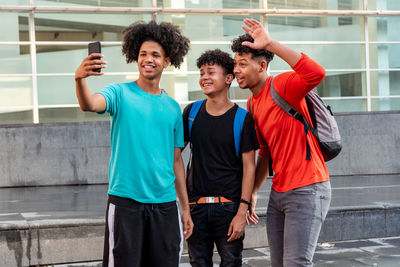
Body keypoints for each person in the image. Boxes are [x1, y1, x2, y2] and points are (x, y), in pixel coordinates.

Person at [74, 20, 193, 267]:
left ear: (167, 61)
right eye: (143, 54)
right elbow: (90, 104)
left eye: (155, 55)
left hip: (165, 205)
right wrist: (80, 80)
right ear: (135, 57)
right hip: (126, 203)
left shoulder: (173, 108)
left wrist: (185, 208)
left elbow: (176, 161)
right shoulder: (119, 93)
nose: (148, 59)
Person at [231, 19, 332, 267]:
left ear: (262, 65)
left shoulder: (283, 85)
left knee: (296, 263)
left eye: (243, 64)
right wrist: (253, 192)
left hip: (308, 187)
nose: (236, 70)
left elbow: (316, 72)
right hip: (279, 192)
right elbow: (265, 152)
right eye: (235, 64)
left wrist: (271, 44)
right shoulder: (253, 104)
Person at [182, 49, 259, 267]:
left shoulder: (242, 119)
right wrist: (184, 206)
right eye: (201, 73)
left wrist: (241, 212)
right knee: (198, 263)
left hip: (229, 209)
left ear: (228, 79)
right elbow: (175, 154)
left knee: (232, 263)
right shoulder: (191, 113)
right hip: (196, 207)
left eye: (210, 72)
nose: (204, 77)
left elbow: (249, 168)